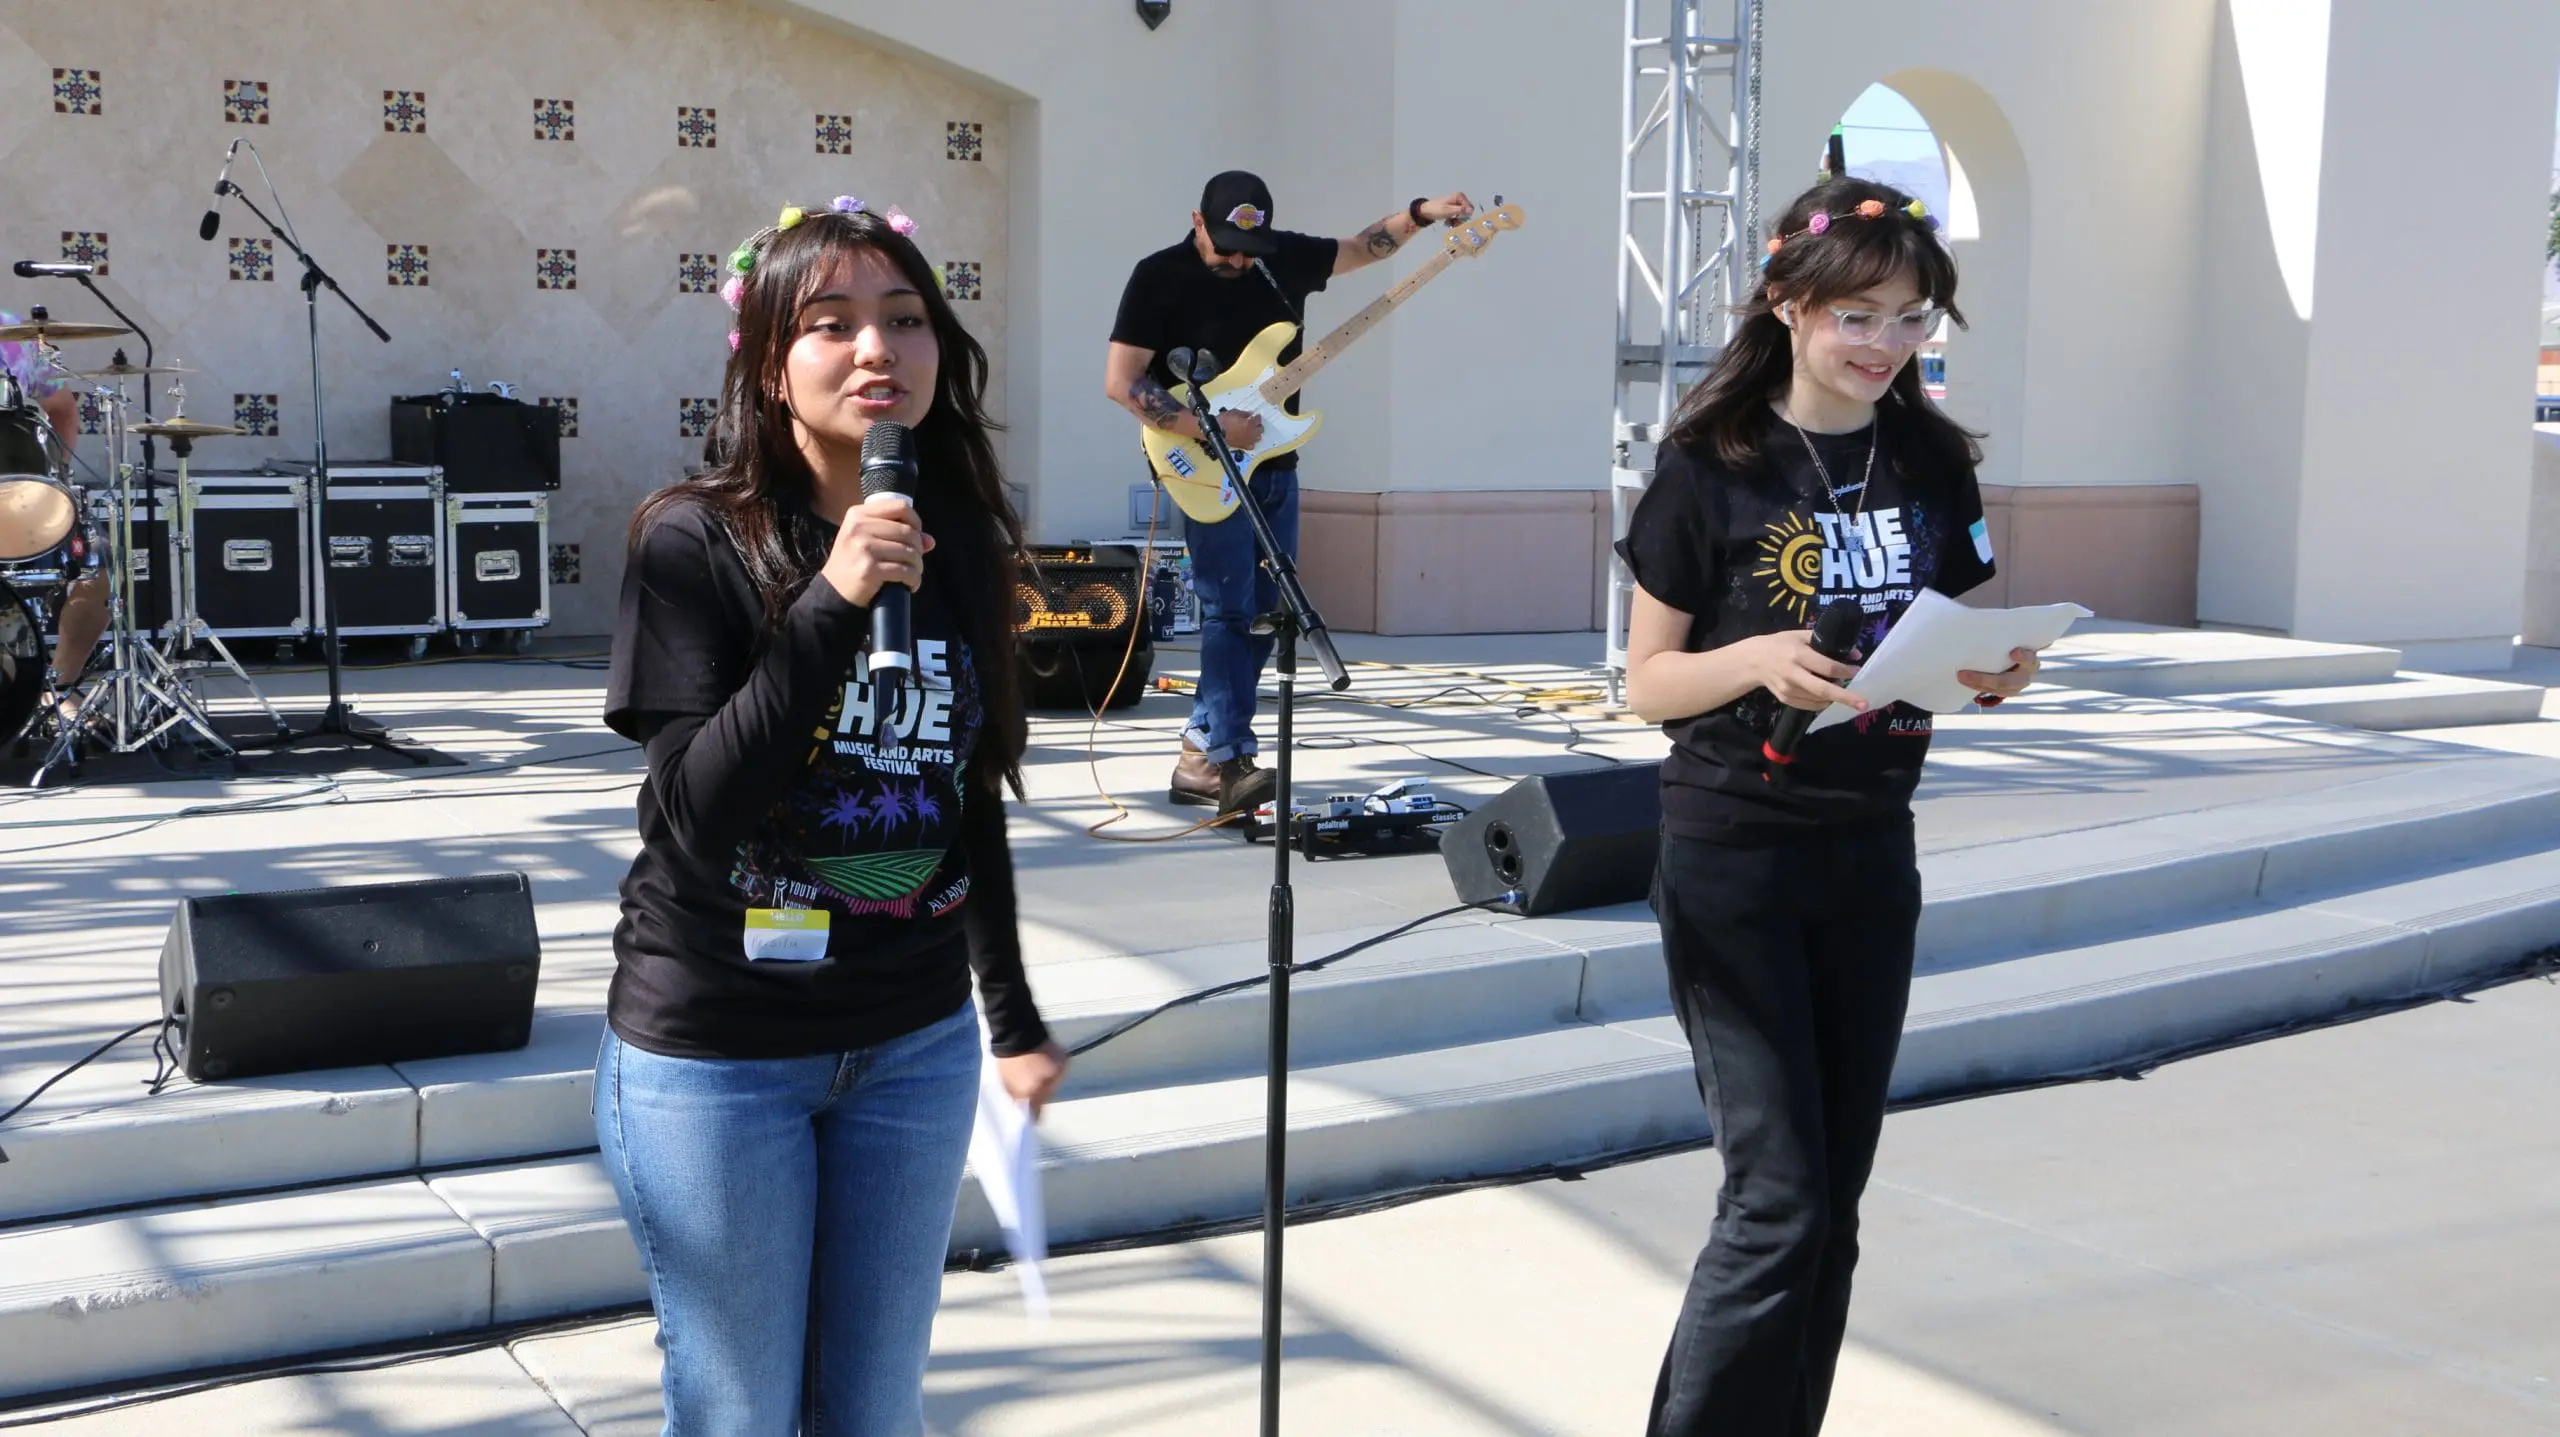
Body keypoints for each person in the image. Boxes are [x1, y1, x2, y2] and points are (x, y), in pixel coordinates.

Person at [599, 197, 1068, 1435]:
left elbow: (964, 790)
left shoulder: (959, 538)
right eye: (832, 323)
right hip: (722, 1050)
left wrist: (1011, 1015)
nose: (876, 349)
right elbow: (693, 813)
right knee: (741, 1412)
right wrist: (833, 600)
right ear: (768, 362)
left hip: (912, 1044)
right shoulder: (691, 539)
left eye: (905, 319)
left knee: (874, 1411)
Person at [1617, 176, 2040, 1436]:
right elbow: (1646, 685)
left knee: (1830, 1210)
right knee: (1777, 1202)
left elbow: (1946, 635)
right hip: (1734, 854)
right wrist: (1754, 658)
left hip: (1870, 851)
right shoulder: (1708, 468)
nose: (1884, 345)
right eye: (1858, 315)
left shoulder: (1929, 460)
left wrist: (1994, 671)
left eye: (1911, 318)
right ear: (1787, 305)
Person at [1105, 171, 1475, 812]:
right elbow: (1124, 381)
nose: (1239, 262)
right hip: (1205, 462)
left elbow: (1359, 248)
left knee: (1269, 611)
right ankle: (1229, 759)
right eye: (1227, 248)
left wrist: (1420, 213)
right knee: (1227, 609)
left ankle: (1201, 750)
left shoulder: (1280, 259)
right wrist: (1211, 427)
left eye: (1249, 251)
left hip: (1275, 465)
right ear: (1197, 222)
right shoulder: (1159, 275)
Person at [0, 314, 103, 711]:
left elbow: (63, 409)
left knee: (97, 568)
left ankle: (60, 690)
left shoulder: (12, 333)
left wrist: (56, 485)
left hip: (19, 501)